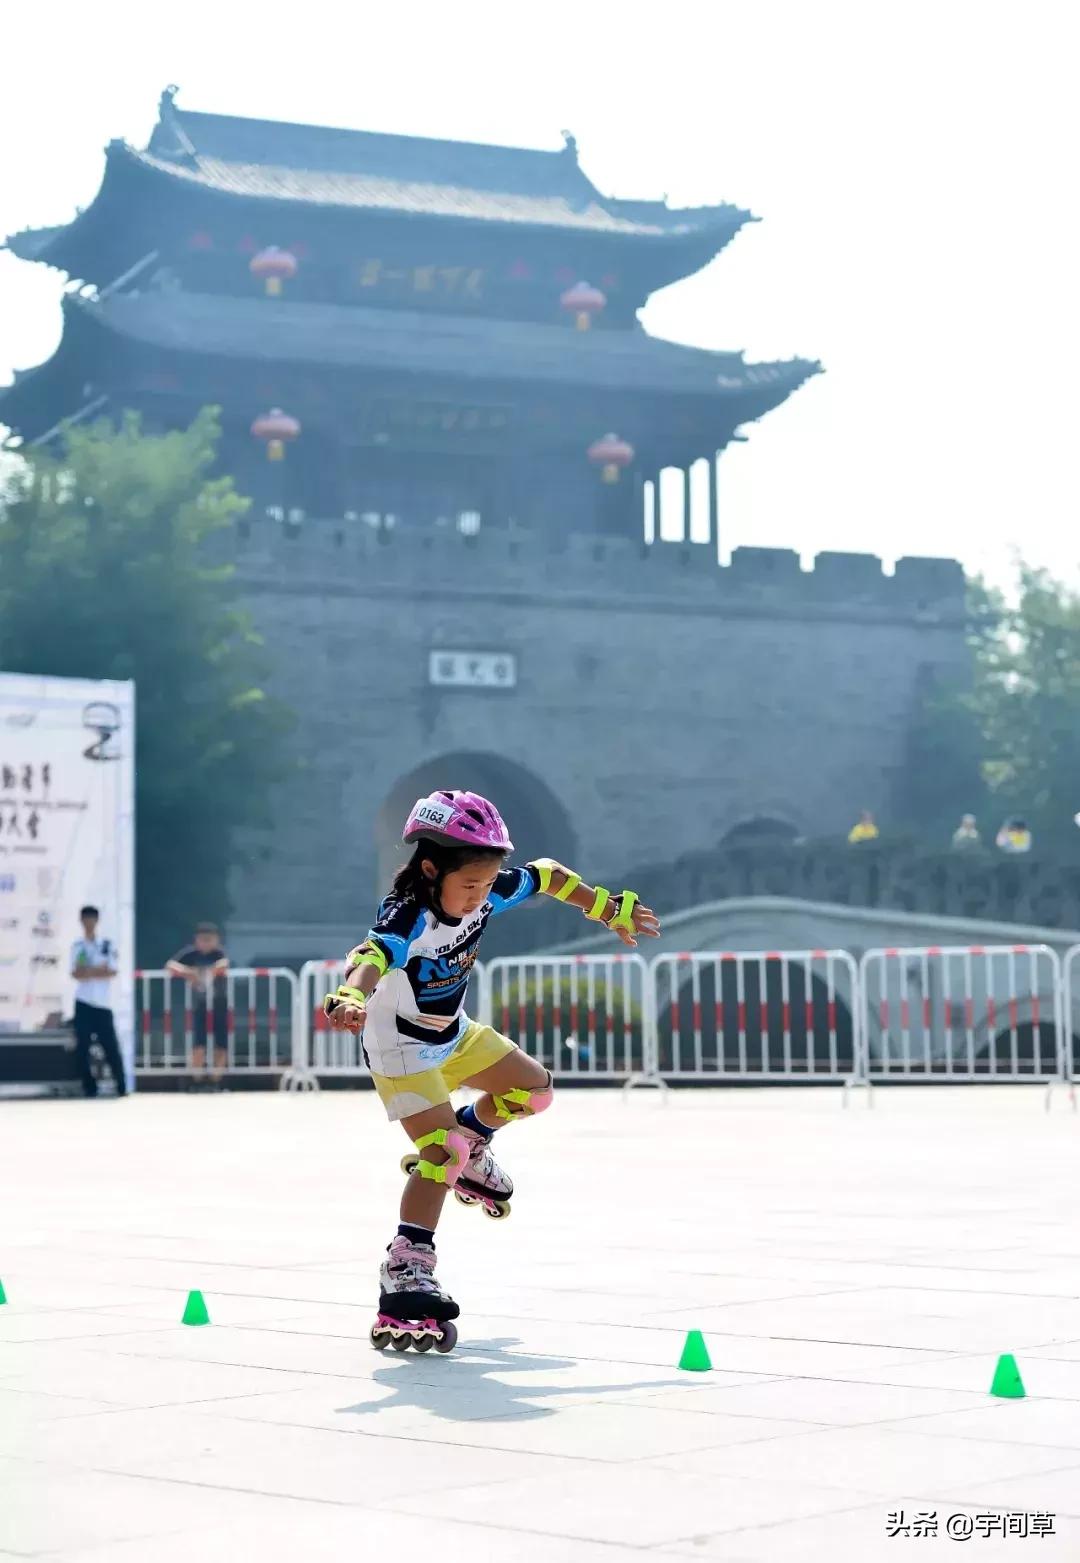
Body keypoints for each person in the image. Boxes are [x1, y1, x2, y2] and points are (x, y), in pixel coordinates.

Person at [323, 788, 660, 1346]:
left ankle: (475, 1144)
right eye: (469, 886)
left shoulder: (488, 892)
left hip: (452, 1034)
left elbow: (548, 875)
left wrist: (602, 906)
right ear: (431, 871)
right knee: (441, 1152)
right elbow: (371, 955)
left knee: (534, 1090)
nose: (479, 897)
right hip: (401, 1051)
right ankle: (407, 1267)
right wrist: (351, 996)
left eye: (486, 885)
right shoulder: (409, 914)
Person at [70, 906, 127, 1098]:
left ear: (96, 920)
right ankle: (89, 1087)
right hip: (83, 1002)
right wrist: (95, 971)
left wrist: (89, 971)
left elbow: (111, 971)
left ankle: (121, 1086)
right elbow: (77, 973)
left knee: (110, 1046)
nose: (88, 923)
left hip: (103, 1004)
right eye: (85, 919)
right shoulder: (78, 946)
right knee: (82, 1048)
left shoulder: (106, 945)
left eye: (91, 919)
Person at [166, 923, 230, 1088]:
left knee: (221, 1044)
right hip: (199, 1005)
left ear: (216, 940)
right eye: (203, 939)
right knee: (198, 1044)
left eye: (210, 939)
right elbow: (170, 965)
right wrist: (189, 973)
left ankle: (217, 1080)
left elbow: (224, 964)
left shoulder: (218, 953)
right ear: (197, 940)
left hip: (219, 1003)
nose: (206, 943)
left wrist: (207, 972)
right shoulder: (190, 954)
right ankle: (197, 1079)